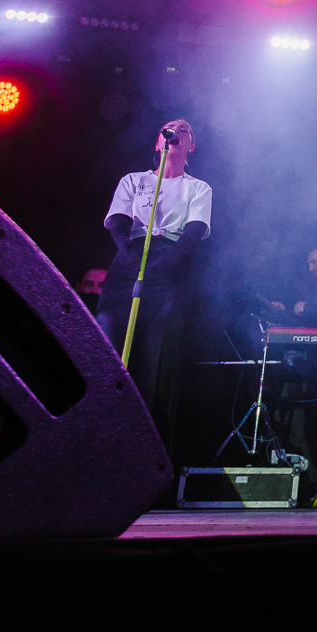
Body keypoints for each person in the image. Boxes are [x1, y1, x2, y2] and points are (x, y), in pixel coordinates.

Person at [96, 119, 211, 439]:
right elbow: (119, 220)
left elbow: (194, 231)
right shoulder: (134, 180)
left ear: (191, 146)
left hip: (169, 262)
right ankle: (101, 427)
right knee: (108, 340)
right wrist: (127, 253)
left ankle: (146, 438)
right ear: (158, 143)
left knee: (156, 354)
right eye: (169, 128)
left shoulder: (198, 188)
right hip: (130, 257)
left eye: (184, 129)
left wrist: (167, 262)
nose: (175, 131)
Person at [264, 248, 317, 324]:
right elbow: (313, 319)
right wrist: (286, 310)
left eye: (314, 262)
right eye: (309, 264)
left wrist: (307, 308)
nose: (310, 268)